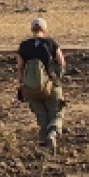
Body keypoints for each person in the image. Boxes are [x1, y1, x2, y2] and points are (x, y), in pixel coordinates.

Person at [18, 17, 68, 150]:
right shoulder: (51, 43)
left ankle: (42, 140)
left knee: (41, 114)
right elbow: (62, 62)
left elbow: (20, 67)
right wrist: (57, 77)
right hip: (50, 84)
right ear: (44, 29)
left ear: (31, 29)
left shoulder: (24, 46)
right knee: (56, 112)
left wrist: (22, 85)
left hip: (31, 87)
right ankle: (52, 133)